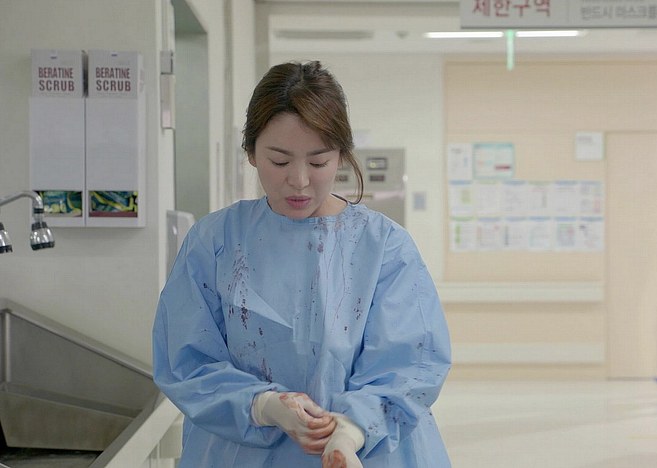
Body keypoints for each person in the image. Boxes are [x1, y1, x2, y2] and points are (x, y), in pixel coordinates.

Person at [152, 61, 453, 467]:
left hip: (372, 450)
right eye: (279, 161)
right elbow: (186, 360)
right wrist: (263, 406)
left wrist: (352, 430)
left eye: (318, 162)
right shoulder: (214, 242)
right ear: (251, 153)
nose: (299, 180)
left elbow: (413, 363)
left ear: (341, 155)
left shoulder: (384, 246)